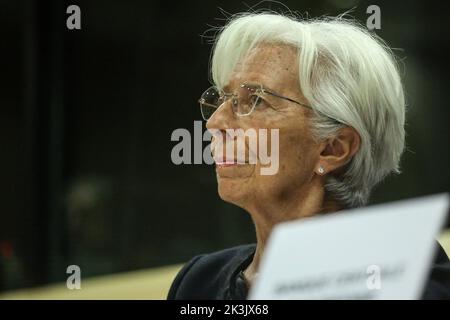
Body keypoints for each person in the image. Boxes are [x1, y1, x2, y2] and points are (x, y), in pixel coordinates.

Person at [168, 12, 450, 299]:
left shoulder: (404, 274)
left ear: (333, 148)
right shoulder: (199, 282)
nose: (215, 123)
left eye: (256, 101)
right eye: (224, 98)